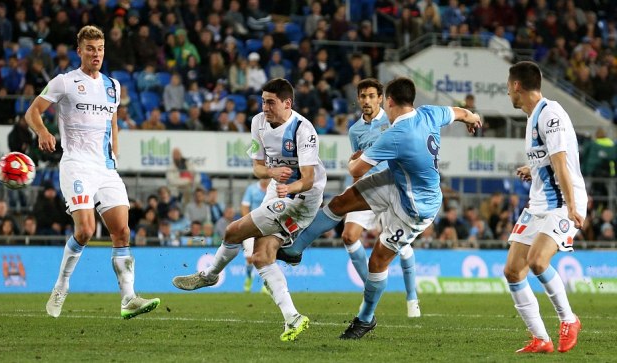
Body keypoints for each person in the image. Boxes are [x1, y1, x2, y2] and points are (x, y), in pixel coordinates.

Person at [278, 77, 481, 339]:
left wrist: (355, 158)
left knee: (378, 260)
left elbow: (355, 169)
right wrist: (474, 117)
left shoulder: (397, 134)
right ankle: (296, 248)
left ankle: (365, 318)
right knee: (341, 201)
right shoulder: (430, 113)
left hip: (416, 207)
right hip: (398, 180)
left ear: (389, 101)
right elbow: (461, 112)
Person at [172, 78, 326, 342]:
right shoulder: (258, 123)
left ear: (287, 103)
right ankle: (293, 318)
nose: (264, 107)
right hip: (277, 189)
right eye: (263, 101)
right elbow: (257, 168)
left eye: (271, 102)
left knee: (233, 231)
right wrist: (272, 172)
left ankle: (209, 275)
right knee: (261, 256)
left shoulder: (303, 129)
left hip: (301, 198)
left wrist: (289, 188)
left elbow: (309, 178)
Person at [25, 25, 160, 319]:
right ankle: (62, 285)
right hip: (76, 164)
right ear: (79, 51)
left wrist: (115, 152)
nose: (96, 54)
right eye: (90, 49)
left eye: (99, 49)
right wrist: (43, 131)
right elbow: (32, 111)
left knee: (122, 231)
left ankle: (128, 299)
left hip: (105, 167)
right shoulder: (64, 82)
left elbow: (112, 122)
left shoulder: (114, 85)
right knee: (85, 230)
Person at [503, 61, 585, 354]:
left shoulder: (551, 114)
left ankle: (569, 319)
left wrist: (573, 207)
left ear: (516, 86)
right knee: (513, 271)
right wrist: (533, 167)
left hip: (562, 202)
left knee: (538, 261)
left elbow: (562, 161)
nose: (508, 93)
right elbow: (550, 158)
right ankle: (541, 338)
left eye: (508, 87)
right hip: (538, 202)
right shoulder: (532, 116)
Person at [345, 78, 422, 317]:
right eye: (363, 96)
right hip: (368, 188)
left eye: (371, 96)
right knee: (348, 237)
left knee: (401, 247)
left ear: (381, 98)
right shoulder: (354, 130)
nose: (366, 101)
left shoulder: (392, 122)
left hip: (391, 188)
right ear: (358, 99)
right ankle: (370, 287)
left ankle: (412, 299)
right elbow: (357, 161)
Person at [240, 177, 270, 292]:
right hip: (252, 226)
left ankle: (266, 284)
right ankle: (249, 277)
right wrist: (247, 223)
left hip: (268, 227)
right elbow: (244, 207)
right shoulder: (251, 189)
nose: (266, 179)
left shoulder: (274, 189)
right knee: (249, 258)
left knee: (267, 256)